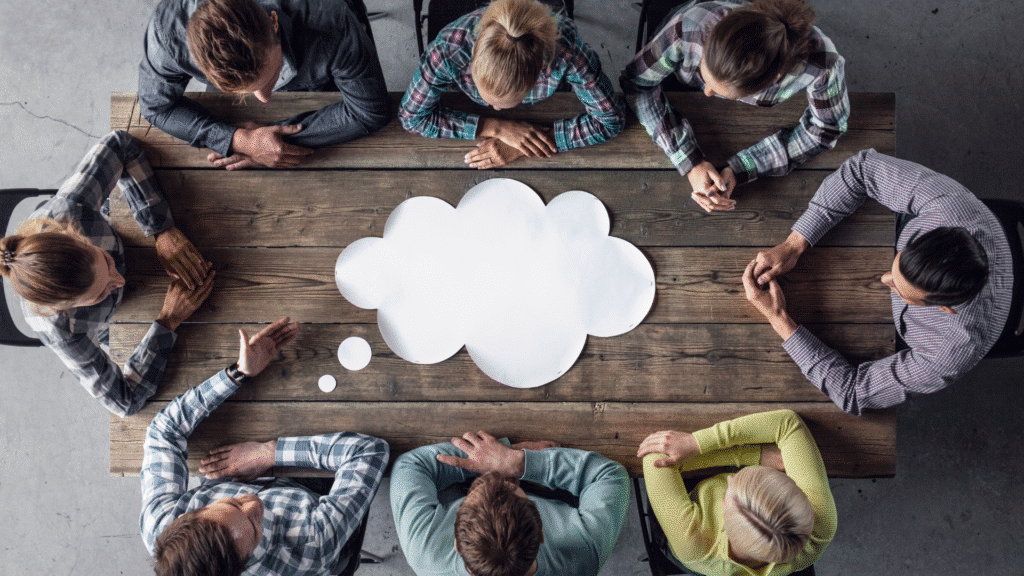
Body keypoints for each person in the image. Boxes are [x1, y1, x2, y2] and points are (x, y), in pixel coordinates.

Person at [742, 149, 1013, 415]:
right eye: (897, 268)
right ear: (935, 233)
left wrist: (778, 318)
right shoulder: (950, 208)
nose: (884, 279)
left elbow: (853, 392)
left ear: (944, 308)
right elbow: (861, 170)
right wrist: (794, 243)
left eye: (901, 290)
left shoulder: (949, 352)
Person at [141, 316, 390, 576]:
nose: (254, 503)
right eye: (254, 527)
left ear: (188, 516)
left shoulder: (163, 527)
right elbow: (369, 451)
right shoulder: (312, 545)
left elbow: (164, 430)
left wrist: (237, 374)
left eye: (233, 504)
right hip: (317, 498)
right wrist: (269, 453)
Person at [0, 131, 214, 417]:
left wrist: (161, 228)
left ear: (77, 237)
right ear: (66, 307)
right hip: (112, 324)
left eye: (106, 261)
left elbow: (120, 144)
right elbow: (125, 403)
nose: (120, 280)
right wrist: (168, 321)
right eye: (100, 292)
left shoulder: (69, 210)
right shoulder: (59, 330)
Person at [620, 0, 848, 213]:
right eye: (703, 75)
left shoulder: (823, 65)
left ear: (772, 81)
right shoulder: (690, 25)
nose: (707, 93)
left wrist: (744, 167)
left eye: (720, 91)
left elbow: (825, 130)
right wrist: (689, 160)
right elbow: (636, 84)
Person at [139, 0, 390, 170]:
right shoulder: (168, 35)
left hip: (322, 46)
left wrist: (272, 144)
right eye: (245, 92)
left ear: (274, 22)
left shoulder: (331, 19)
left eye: (271, 78)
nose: (264, 99)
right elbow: (155, 107)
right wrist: (239, 141)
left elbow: (369, 111)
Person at [400, 0, 625, 169]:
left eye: (505, 103)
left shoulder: (567, 51)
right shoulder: (448, 49)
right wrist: (496, 128)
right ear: (473, 53)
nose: (495, 109)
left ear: (541, 71)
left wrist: (526, 145)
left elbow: (611, 120)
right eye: (488, 98)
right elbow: (411, 118)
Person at [390, 430, 630, 576]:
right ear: (541, 534)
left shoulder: (425, 552)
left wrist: (497, 455)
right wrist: (517, 461)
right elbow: (610, 476)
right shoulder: (584, 553)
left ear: (456, 543)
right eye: (515, 489)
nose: (496, 476)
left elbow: (410, 465)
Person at [638, 409, 836, 576]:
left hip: (691, 552)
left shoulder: (692, 541)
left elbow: (656, 455)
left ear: (723, 510)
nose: (730, 478)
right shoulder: (822, 524)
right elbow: (788, 423)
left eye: (730, 487)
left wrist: (752, 455)